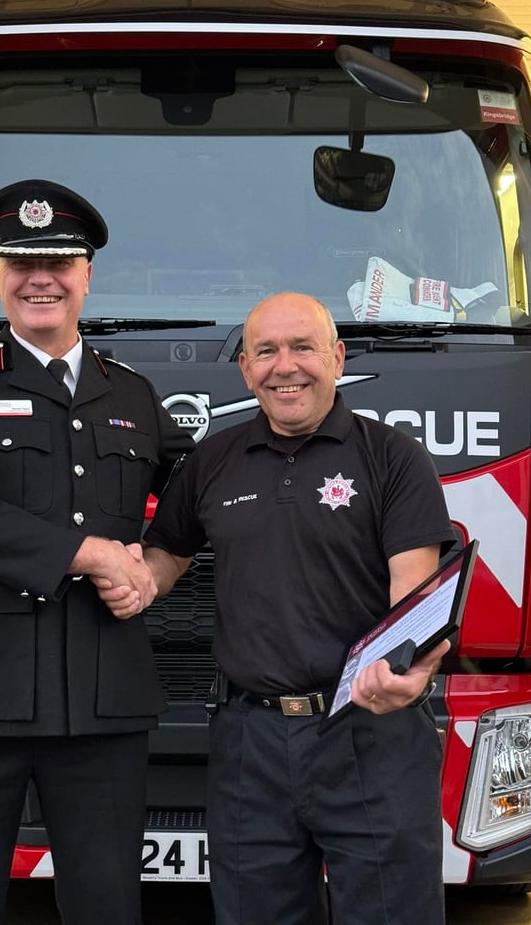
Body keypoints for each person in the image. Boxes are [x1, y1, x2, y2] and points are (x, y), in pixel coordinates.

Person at [107, 292, 456, 925]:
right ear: (244, 368)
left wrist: (409, 669)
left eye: (303, 348)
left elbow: (416, 597)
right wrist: (132, 580)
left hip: (368, 730)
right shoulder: (213, 460)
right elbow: (169, 554)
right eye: (265, 351)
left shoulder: (392, 457)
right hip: (250, 742)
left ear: (337, 358)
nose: (284, 366)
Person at [0, 180, 195, 925]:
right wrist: (94, 551)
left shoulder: (131, 394)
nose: (42, 278)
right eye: (20, 262)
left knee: (106, 904)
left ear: (87, 275)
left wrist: (157, 570)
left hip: (102, 699)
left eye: (60, 260)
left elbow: (197, 497)